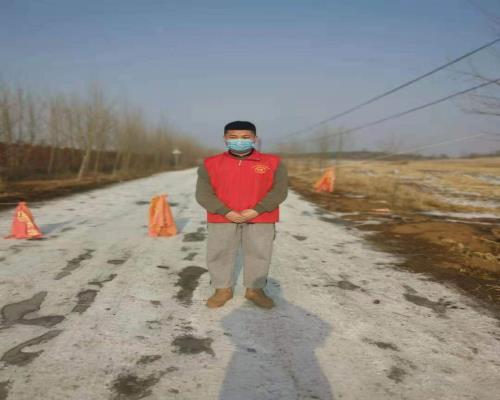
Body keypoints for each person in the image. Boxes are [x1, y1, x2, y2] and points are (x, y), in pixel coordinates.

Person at [195, 121, 288, 309]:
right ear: (225, 138)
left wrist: (257, 210)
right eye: (233, 137)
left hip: (260, 218)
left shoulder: (273, 163)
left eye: (245, 137)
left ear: (254, 138)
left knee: (259, 253)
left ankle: (255, 290)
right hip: (222, 218)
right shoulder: (210, 164)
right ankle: (222, 289)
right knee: (219, 252)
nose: (239, 141)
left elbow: (279, 191)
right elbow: (203, 194)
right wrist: (225, 211)